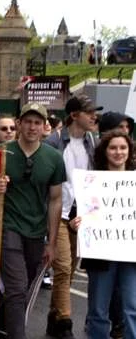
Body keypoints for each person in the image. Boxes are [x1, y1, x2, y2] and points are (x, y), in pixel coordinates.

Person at [0, 102, 66, 339]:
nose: (32, 127)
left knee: (23, 288)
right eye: (27, 121)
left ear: (44, 126)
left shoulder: (54, 158)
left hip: (36, 232)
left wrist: (52, 242)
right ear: (19, 124)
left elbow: (55, 200)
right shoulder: (1, 151)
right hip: (8, 227)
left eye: (37, 122)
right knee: (16, 288)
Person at [43, 94, 102, 338]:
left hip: (82, 216)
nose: (94, 117)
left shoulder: (91, 141)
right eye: (89, 112)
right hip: (59, 214)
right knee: (64, 267)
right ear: (75, 115)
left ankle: (54, 317)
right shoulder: (53, 143)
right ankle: (65, 324)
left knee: (68, 271)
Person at [70, 132, 136, 339]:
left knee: (131, 307)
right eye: (113, 148)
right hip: (99, 254)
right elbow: (75, 215)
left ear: (130, 151)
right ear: (104, 151)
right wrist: (75, 224)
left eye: (123, 148)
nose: (118, 152)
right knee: (98, 310)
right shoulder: (90, 181)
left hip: (131, 255)